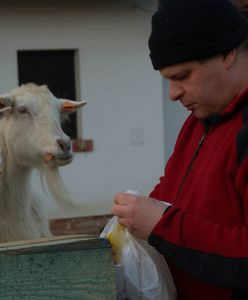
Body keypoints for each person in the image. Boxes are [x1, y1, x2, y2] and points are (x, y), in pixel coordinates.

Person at [111, 0, 248, 299]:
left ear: (228, 53)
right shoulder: (198, 121)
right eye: (168, 80)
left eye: (182, 76)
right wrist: (134, 218)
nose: (173, 94)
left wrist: (163, 225)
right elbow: (172, 192)